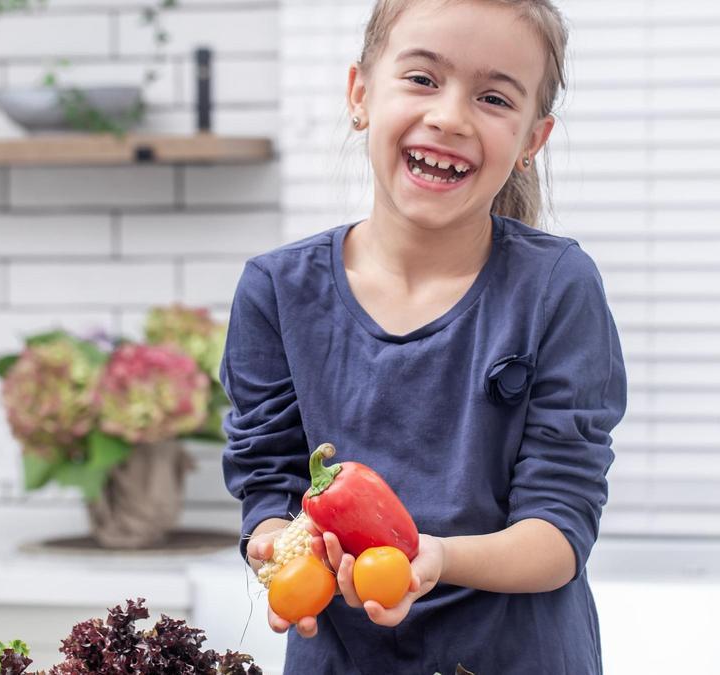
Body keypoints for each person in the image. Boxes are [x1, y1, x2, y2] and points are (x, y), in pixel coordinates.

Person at [220, 0, 626, 672]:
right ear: (360, 95)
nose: (450, 117)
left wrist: (431, 557)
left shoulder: (557, 286)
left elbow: (558, 534)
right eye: (422, 79)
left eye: (494, 98)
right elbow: (269, 488)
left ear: (532, 140)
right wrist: (275, 546)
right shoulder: (276, 291)